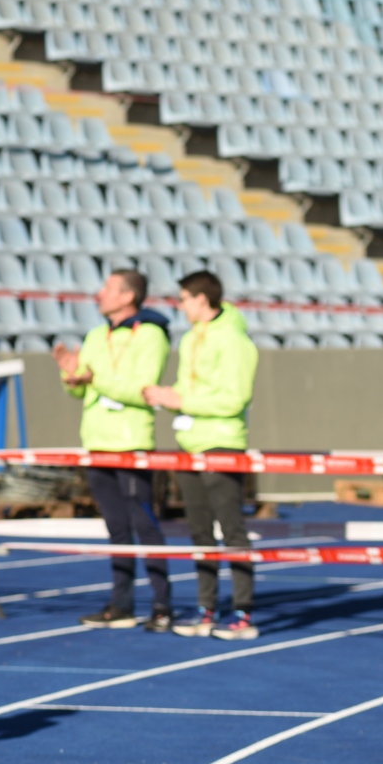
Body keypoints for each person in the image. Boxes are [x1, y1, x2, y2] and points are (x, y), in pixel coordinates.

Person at [142, 271, 261, 641]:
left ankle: (242, 611)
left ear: (201, 299)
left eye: (183, 299)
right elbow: (188, 390)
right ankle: (206, 606)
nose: (180, 306)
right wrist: (166, 397)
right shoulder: (192, 338)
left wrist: (182, 400)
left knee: (232, 528)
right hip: (189, 444)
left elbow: (235, 398)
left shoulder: (235, 340)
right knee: (198, 530)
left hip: (222, 443)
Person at [54, 269, 173, 631]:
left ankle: (162, 605)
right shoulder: (95, 335)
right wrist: (70, 375)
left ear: (128, 296)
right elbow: (80, 390)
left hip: (131, 442)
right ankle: (121, 604)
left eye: (108, 287)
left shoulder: (151, 335)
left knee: (144, 524)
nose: (100, 293)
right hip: (97, 441)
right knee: (116, 528)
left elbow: (142, 388)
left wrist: (95, 378)